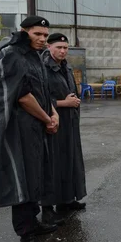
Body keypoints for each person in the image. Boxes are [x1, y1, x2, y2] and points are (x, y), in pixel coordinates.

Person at [0, 15, 60, 242]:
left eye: (45, 34)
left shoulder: (34, 56)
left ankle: (34, 223)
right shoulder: (12, 54)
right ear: (24, 31)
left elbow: (43, 91)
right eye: (37, 34)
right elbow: (22, 96)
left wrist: (52, 113)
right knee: (22, 180)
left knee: (36, 176)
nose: (42, 39)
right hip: (18, 130)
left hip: (36, 128)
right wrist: (47, 119)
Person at [40, 33, 87, 225]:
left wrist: (74, 101)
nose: (62, 51)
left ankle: (66, 200)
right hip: (53, 122)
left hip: (69, 122)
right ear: (49, 47)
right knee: (52, 165)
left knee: (70, 160)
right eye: (58, 47)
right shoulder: (43, 68)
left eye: (65, 48)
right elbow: (38, 99)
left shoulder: (64, 66)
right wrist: (64, 103)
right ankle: (47, 209)